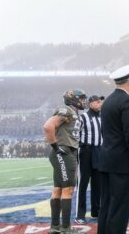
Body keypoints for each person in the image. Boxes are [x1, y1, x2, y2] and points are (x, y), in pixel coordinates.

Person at [98, 64, 129, 234]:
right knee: (119, 209)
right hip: (122, 164)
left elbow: (106, 132)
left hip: (106, 161)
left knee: (106, 206)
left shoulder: (107, 101)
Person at [43, 89, 87, 234]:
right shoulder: (66, 111)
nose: (83, 101)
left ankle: (55, 227)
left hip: (64, 152)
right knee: (68, 190)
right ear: (72, 99)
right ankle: (66, 228)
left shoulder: (73, 113)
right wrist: (56, 147)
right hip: (64, 152)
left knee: (58, 189)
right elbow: (48, 126)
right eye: (80, 98)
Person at [75, 95, 104, 224]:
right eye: (98, 102)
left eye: (100, 102)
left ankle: (96, 211)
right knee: (83, 183)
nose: (100, 104)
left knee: (97, 183)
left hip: (99, 151)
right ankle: (80, 214)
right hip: (86, 151)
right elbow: (75, 134)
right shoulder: (83, 117)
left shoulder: (102, 117)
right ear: (90, 103)